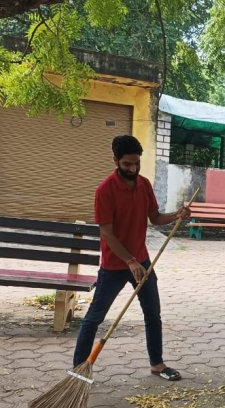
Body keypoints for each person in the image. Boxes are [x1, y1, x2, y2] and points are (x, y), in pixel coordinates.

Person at [73, 135, 190, 381]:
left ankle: (157, 364)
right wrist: (130, 261)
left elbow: (155, 217)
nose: (133, 169)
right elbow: (107, 232)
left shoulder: (144, 185)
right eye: (127, 164)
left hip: (142, 261)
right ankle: (78, 371)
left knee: (152, 314)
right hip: (115, 265)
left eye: (136, 163)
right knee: (94, 319)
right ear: (115, 160)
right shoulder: (105, 191)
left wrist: (176, 215)